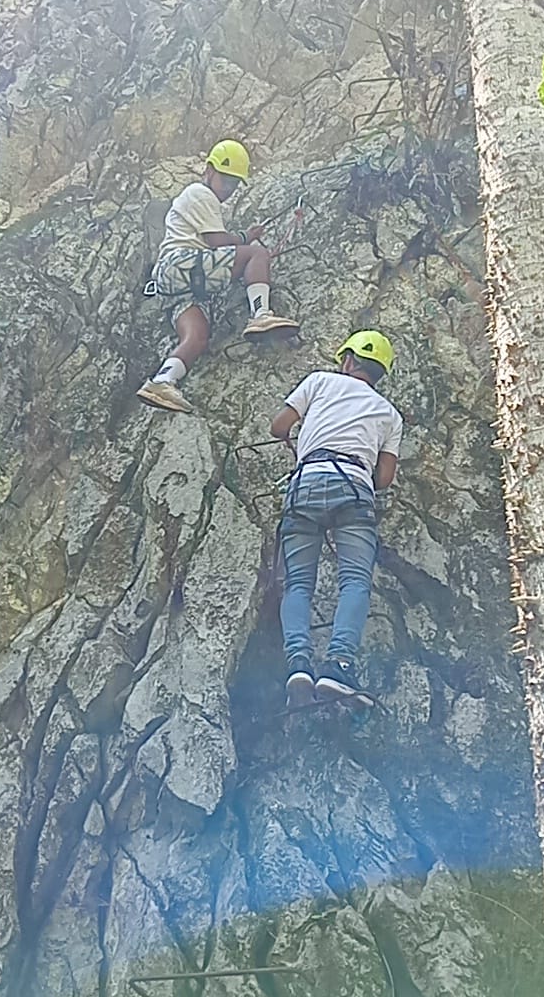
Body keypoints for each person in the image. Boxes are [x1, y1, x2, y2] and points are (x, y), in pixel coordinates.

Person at [270, 330, 403, 708]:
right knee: (355, 581)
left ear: (347, 360)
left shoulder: (318, 381)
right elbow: (385, 479)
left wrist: (304, 446)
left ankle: (298, 664)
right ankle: (338, 665)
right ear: (380, 372)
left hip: (306, 483)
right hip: (354, 488)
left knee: (298, 581)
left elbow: (279, 426)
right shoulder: (389, 415)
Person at [137, 140, 299, 413]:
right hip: (181, 265)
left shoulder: (201, 198)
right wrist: (248, 238)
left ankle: (163, 380)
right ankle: (261, 315)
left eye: (235, 185)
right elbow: (218, 242)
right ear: (210, 170)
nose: (229, 189)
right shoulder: (200, 193)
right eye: (227, 180)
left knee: (197, 337)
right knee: (256, 255)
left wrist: (244, 238)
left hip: (174, 283)